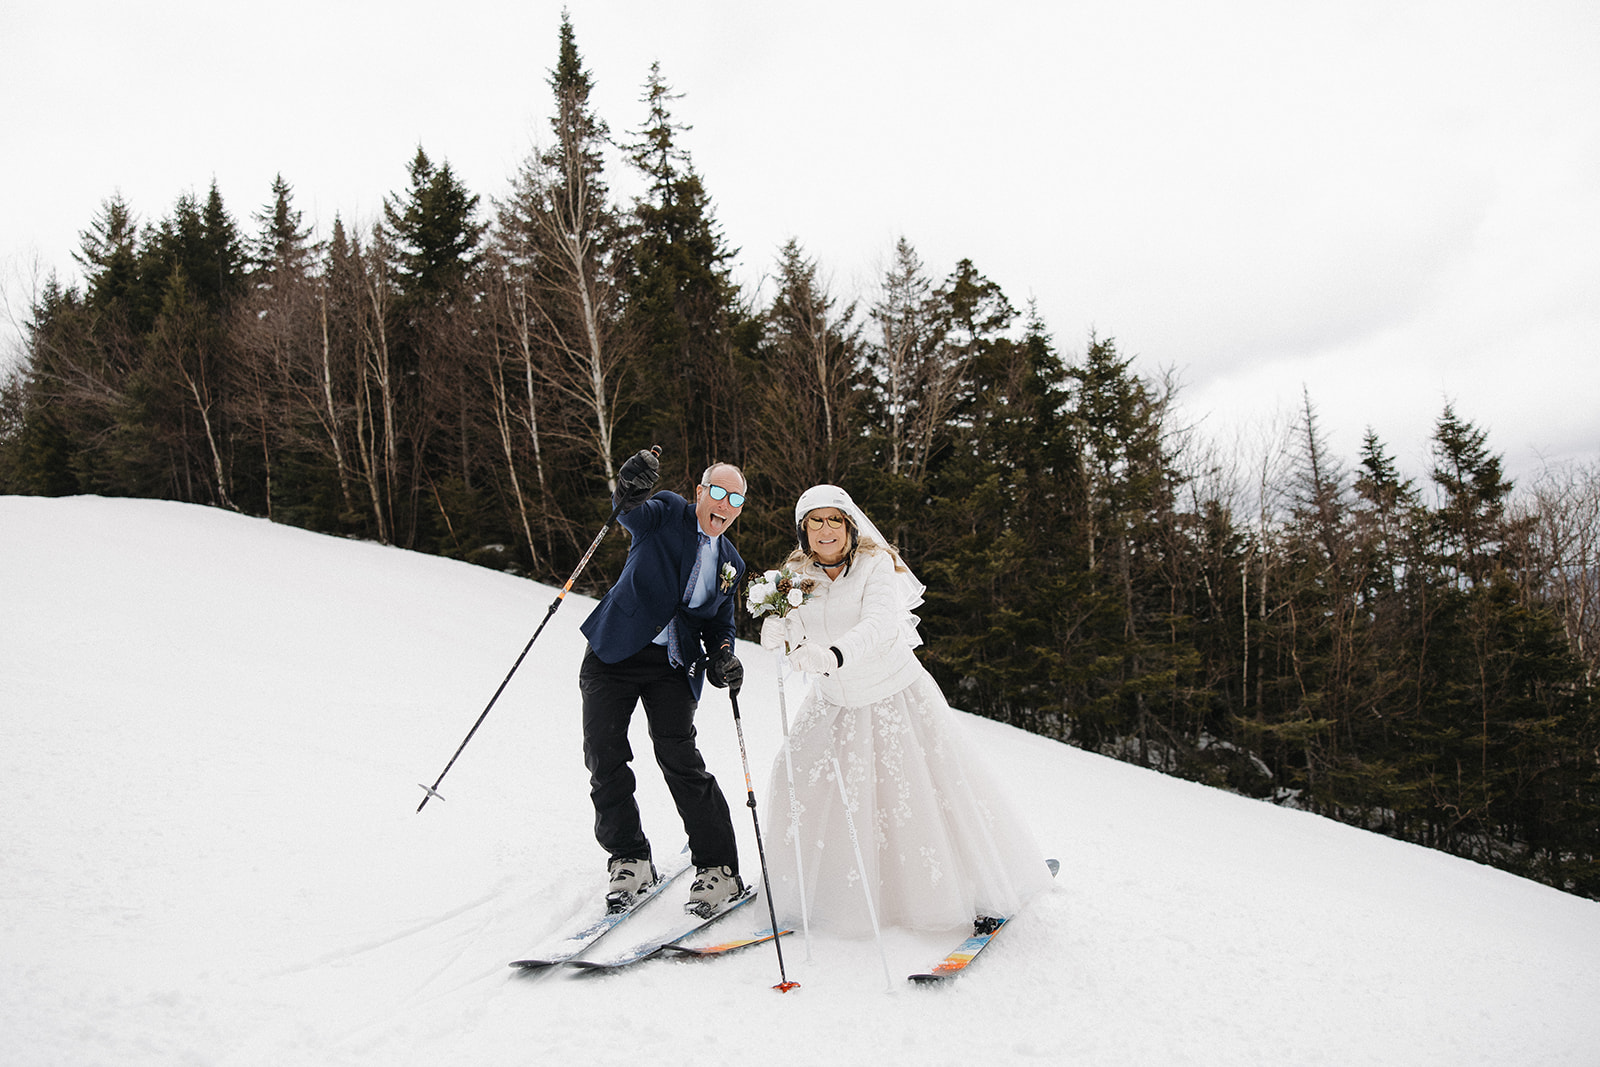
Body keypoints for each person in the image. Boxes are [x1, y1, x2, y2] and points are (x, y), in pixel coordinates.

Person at [758, 484, 1053, 935]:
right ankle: (812, 894)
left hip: (892, 693)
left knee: (914, 794)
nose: (825, 530)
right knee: (793, 773)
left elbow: (879, 623)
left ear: (849, 525)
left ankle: (964, 890)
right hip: (835, 700)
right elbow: (798, 629)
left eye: (833, 520)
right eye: (814, 521)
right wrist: (782, 632)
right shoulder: (795, 575)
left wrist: (832, 655)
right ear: (803, 530)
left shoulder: (876, 565)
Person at [578, 449, 749, 917]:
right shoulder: (668, 510)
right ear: (700, 492)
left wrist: (724, 657)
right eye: (717, 491)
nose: (724, 503)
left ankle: (719, 870)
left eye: (736, 498)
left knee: (680, 757)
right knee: (605, 754)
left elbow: (721, 625)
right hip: (615, 652)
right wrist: (630, 487)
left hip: (672, 665)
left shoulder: (731, 561)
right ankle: (630, 858)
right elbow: (630, 513)